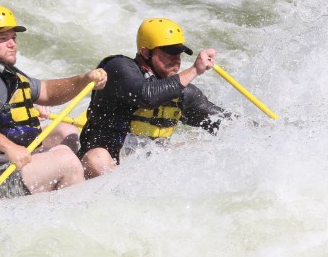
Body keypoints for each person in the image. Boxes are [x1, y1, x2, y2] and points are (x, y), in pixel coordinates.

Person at [0, 5, 107, 203]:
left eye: (13, 37)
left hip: (4, 165)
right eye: (3, 38)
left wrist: (83, 80)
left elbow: (46, 91)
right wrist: (9, 147)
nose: (12, 44)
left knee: (64, 132)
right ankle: (73, 206)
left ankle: (66, 190)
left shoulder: (2, 71)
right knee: (67, 161)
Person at [80, 17, 229, 179]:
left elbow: (222, 121)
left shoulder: (182, 93)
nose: (176, 59)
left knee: (205, 146)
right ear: (145, 52)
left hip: (143, 170)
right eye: (169, 52)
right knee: (98, 158)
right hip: (102, 166)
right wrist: (194, 70)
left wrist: (248, 128)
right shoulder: (119, 68)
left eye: (178, 53)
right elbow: (147, 96)